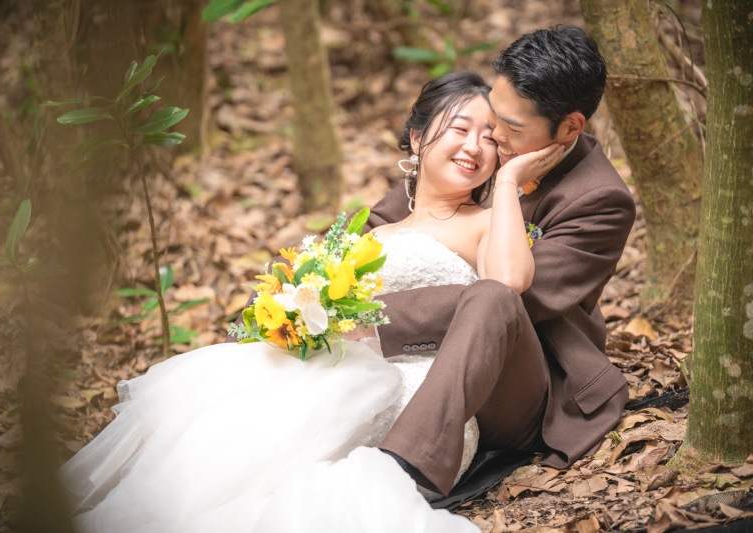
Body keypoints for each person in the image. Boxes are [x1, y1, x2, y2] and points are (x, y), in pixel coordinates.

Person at [57, 70, 559, 533]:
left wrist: (510, 184)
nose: (475, 146)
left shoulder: (490, 221)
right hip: (349, 369)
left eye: (491, 138)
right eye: (460, 129)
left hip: (433, 387)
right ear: (417, 137)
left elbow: (506, 286)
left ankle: (396, 466)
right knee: (243, 415)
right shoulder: (371, 234)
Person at [358, 25, 636, 496]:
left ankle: (408, 466)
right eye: (493, 119)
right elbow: (383, 230)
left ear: (569, 127)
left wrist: (370, 321)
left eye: (511, 128)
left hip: (528, 384)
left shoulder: (599, 200)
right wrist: (316, 307)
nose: (492, 140)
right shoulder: (480, 153)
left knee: (493, 296)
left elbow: (518, 298)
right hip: (430, 357)